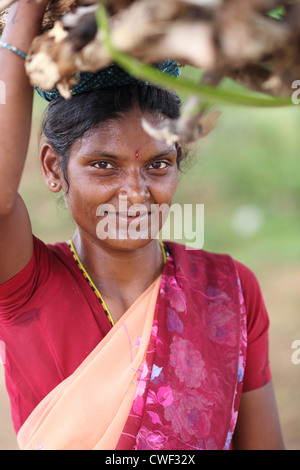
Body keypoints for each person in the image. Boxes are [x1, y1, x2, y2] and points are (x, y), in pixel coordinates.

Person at [0, 0, 285, 451]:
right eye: (103, 166)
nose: (135, 193)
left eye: (157, 165)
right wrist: (24, 17)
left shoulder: (229, 289)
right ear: (54, 168)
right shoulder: (27, 285)